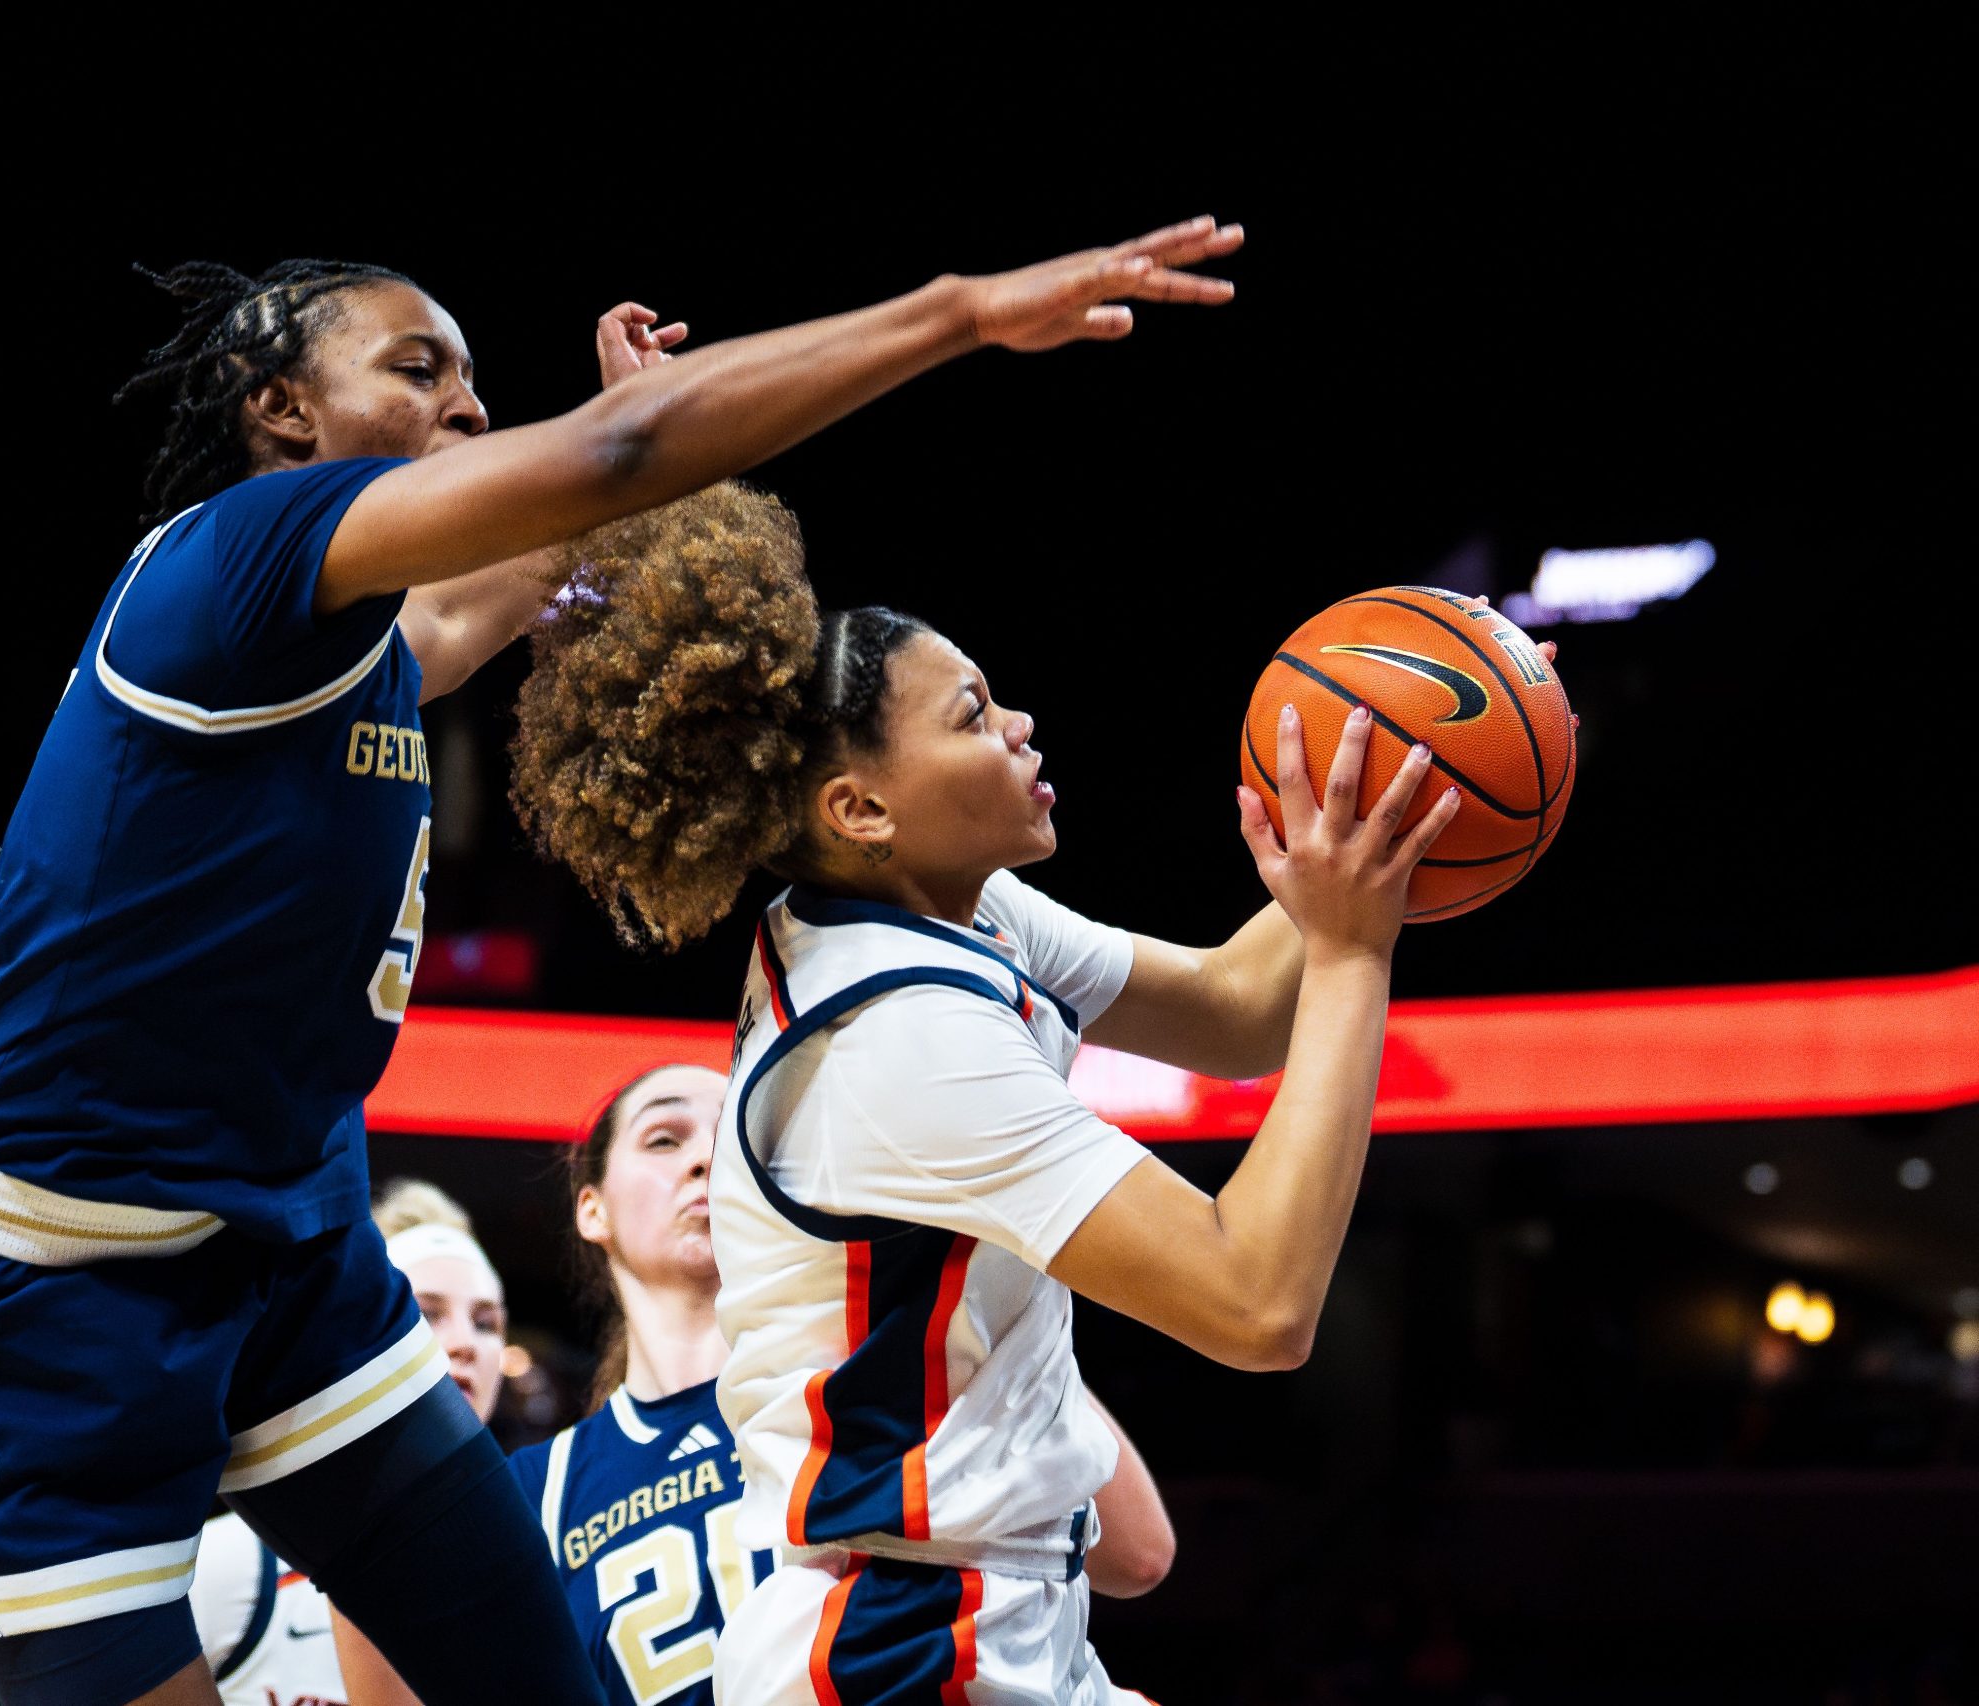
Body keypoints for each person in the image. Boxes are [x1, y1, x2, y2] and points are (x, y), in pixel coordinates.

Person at [0, 218, 1244, 1706]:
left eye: (474, 380)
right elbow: (609, 460)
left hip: (289, 1251)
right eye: (419, 369)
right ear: (282, 408)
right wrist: (959, 310)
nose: (468, 406)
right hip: (40, 1293)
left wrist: (629, 461)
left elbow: (540, 546)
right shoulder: (225, 562)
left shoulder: (369, 645)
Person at [506, 485, 1483, 1703]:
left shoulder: (939, 907)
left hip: (979, 1614)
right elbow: (1257, 1300)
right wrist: (1350, 948)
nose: (1020, 724)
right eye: (972, 713)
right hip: (904, 1646)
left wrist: (1407, 782)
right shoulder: (895, 1045)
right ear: (861, 809)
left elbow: (1233, 1010)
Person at [507, 1065, 1178, 1706]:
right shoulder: (541, 1489)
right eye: (663, 1139)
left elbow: (1137, 1556)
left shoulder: (881, 1364)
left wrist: (987, 1325)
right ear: (592, 1210)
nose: (707, 1159)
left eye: (735, 1138)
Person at [191, 1180, 507, 1706]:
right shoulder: (237, 1565)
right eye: (428, 1312)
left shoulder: (529, 1567)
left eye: (486, 1322)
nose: (465, 1343)